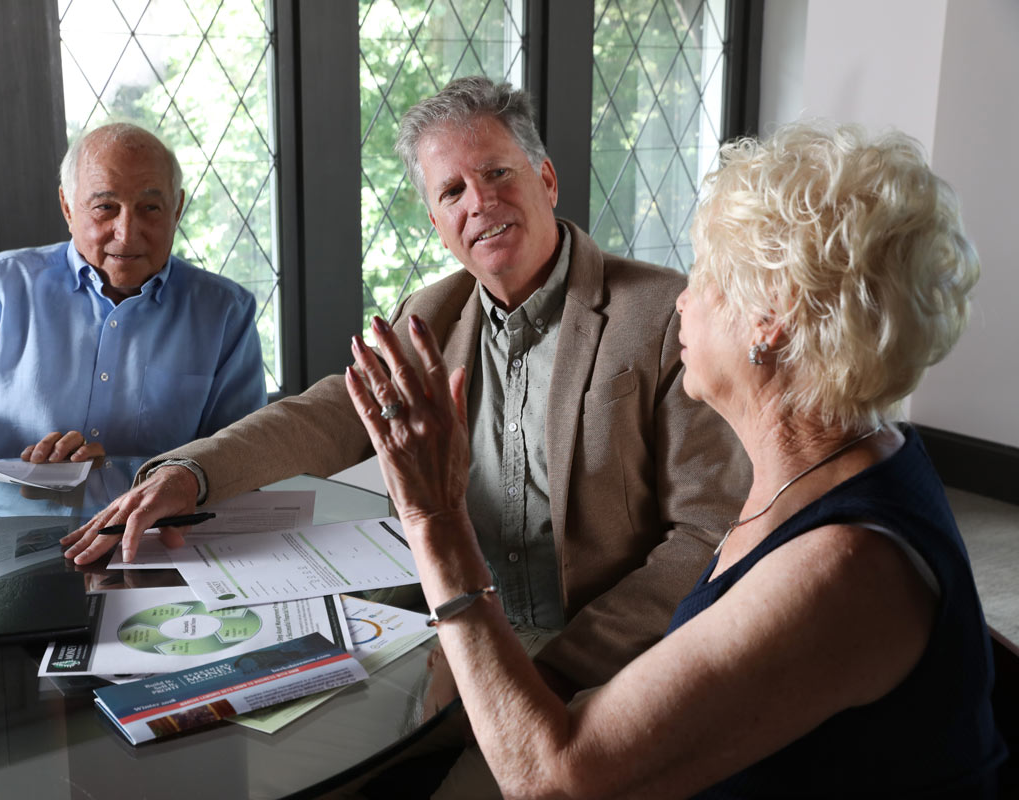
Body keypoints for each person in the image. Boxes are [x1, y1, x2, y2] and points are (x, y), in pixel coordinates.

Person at [344, 120, 1006, 797]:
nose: (682, 299)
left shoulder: (847, 570)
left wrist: (435, 517)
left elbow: (553, 780)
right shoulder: (843, 457)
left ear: (769, 318)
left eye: (708, 277)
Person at [63, 77, 749, 693]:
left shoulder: (666, 314)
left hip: (603, 663)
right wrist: (190, 472)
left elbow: (707, 535)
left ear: (546, 180)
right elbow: (327, 414)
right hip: (443, 638)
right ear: (436, 222)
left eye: (497, 174)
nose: (479, 203)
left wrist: (557, 669)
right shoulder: (432, 313)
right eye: (452, 191)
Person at [0, 122, 266, 490]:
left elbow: (238, 458)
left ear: (176, 210)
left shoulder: (226, 312)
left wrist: (116, 472)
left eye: (150, 208)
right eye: (105, 207)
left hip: (154, 538)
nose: (126, 235)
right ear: (68, 208)